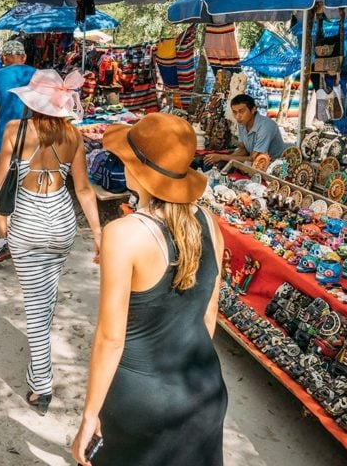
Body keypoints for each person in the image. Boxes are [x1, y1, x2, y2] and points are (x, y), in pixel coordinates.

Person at [70, 113, 226, 466]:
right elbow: (208, 315)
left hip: (141, 401)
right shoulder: (209, 223)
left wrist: (90, 414)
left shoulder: (123, 234)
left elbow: (111, 338)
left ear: (137, 169)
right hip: (202, 390)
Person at [0, 69, 101, 415]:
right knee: (46, 297)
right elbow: (83, 189)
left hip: (28, 225)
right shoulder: (72, 134)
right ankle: (38, 368)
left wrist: (4, 168)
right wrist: (98, 234)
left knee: (35, 306)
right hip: (62, 223)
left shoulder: (15, 130)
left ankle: (41, 384)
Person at [0, 40, 36, 264]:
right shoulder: (37, 75)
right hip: (34, 144)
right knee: (29, 193)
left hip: (4, 144)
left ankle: (4, 242)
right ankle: (27, 240)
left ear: (4, 58)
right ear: (23, 57)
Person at [204, 93, 286, 166]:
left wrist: (222, 157)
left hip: (275, 166)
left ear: (253, 110)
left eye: (241, 111)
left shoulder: (265, 127)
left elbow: (254, 158)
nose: (238, 116)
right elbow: (243, 150)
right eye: (235, 112)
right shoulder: (242, 124)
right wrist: (224, 161)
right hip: (255, 163)